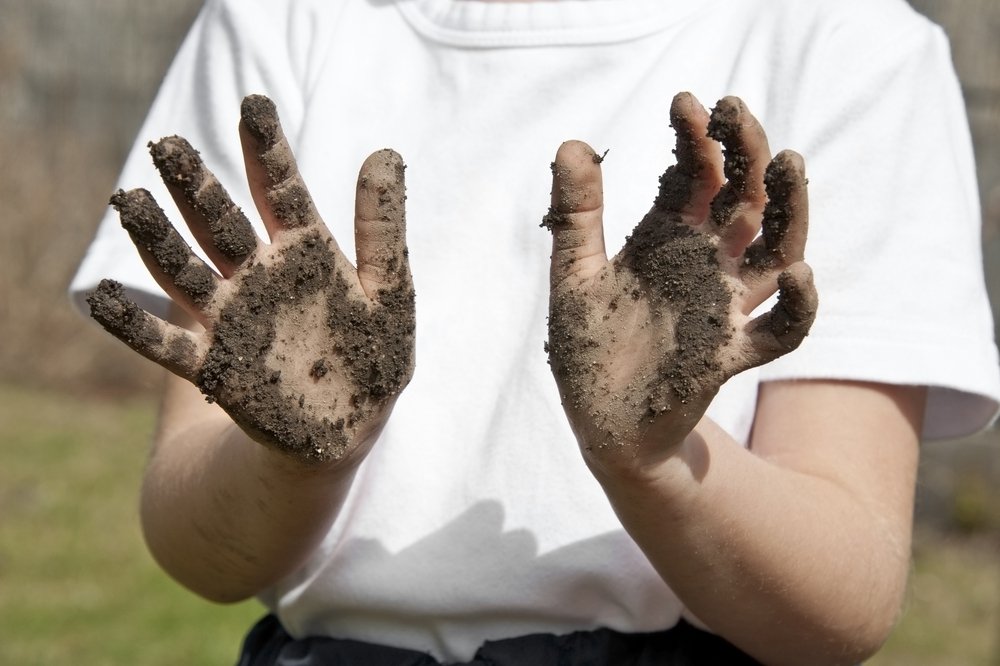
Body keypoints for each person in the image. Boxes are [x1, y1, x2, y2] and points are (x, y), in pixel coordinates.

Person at [70, 0, 1000, 664]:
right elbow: (198, 551)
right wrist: (299, 458)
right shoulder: (281, 19)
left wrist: (650, 461)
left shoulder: (848, 41)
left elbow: (844, 604)